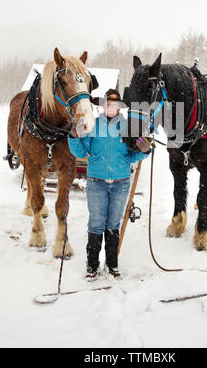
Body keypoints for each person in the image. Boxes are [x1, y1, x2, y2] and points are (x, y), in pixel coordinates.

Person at [68, 88, 151, 281]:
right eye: (108, 103)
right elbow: (80, 153)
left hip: (121, 183)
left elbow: (133, 155)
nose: (111, 107)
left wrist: (145, 150)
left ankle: (112, 265)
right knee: (96, 223)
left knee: (113, 223)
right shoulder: (91, 125)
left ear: (120, 106)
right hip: (97, 183)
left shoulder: (129, 128)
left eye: (114, 104)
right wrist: (73, 137)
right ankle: (92, 266)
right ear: (103, 106)